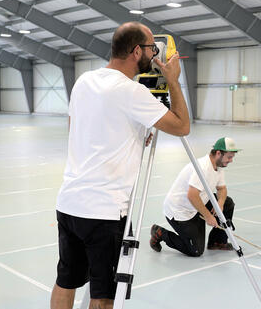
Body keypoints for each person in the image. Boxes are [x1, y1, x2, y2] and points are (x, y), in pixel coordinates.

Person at [50, 22, 190, 309]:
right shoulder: (132, 92)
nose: (154, 56)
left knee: (66, 280)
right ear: (136, 50)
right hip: (103, 211)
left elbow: (75, 126)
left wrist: (131, 134)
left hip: (69, 203)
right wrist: (173, 81)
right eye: (151, 49)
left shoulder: (84, 81)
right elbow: (182, 126)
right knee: (103, 297)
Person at [149, 137, 240, 257]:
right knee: (196, 250)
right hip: (180, 211)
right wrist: (208, 216)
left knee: (227, 203)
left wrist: (220, 203)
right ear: (218, 153)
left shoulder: (218, 166)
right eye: (229, 157)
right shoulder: (202, 167)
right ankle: (161, 233)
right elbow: (192, 195)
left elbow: (222, 189)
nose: (231, 160)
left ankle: (217, 241)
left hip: (197, 204)